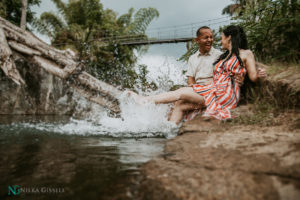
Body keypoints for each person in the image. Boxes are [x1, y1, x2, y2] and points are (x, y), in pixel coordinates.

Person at [129, 25, 267, 124]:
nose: (219, 40)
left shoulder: (245, 53)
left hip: (225, 93)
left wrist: (258, 73)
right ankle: (169, 131)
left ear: (229, 37)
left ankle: (145, 100)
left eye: (221, 37)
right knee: (181, 104)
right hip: (214, 89)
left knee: (181, 93)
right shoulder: (224, 56)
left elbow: (252, 75)